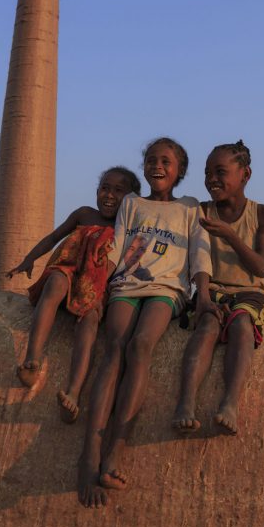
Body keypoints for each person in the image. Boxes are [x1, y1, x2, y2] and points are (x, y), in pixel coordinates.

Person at [78, 137, 211, 507]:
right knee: (113, 350)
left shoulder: (190, 208)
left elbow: (200, 254)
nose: (157, 166)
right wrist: (96, 290)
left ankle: (115, 449)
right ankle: (89, 453)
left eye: (166, 161)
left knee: (140, 347)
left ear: (179, 170)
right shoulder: (131, 204)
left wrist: (204, 294)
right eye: (151, 160)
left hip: (166, 288)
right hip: (126, 284)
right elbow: (117, 247)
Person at [7, 166, 140, 423]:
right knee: (56, 283)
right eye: (105, 188)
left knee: (90, 320)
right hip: (68, 270)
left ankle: (74, 393)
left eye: (118, 191)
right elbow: (55, 236)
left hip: (95, 285)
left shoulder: (128, 227)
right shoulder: (84, 214)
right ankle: (32, 360)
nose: (109, 195)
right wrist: (29, 258)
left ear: (131, 198)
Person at [172, 140, 264, 435]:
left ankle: (230, 403)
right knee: (207, 326)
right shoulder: (201, 212)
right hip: (211, 288)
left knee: (242, 325)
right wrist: (203, 297)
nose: (211, 180)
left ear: (245, 174)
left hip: (250, 291)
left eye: (220, 172)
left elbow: (261, 267)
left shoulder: (263, 214)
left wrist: (231, 236)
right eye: (206, 173)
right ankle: (186, 403)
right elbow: (198, 259)